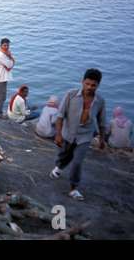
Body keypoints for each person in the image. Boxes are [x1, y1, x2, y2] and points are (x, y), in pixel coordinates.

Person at [49, 68, 106, 201]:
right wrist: (58, 134)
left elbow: (101, 121)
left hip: (85, 136)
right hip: (68, 133)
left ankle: (73, 188)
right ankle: (60, 166)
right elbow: (61, 115)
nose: (89, 87)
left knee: (77, 162)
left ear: (98, 86)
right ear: (82, 82)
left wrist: (102, 139)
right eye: (87, 84)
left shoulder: (100, 101)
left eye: (93, 85)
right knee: (64, 155)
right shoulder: (70, 94)